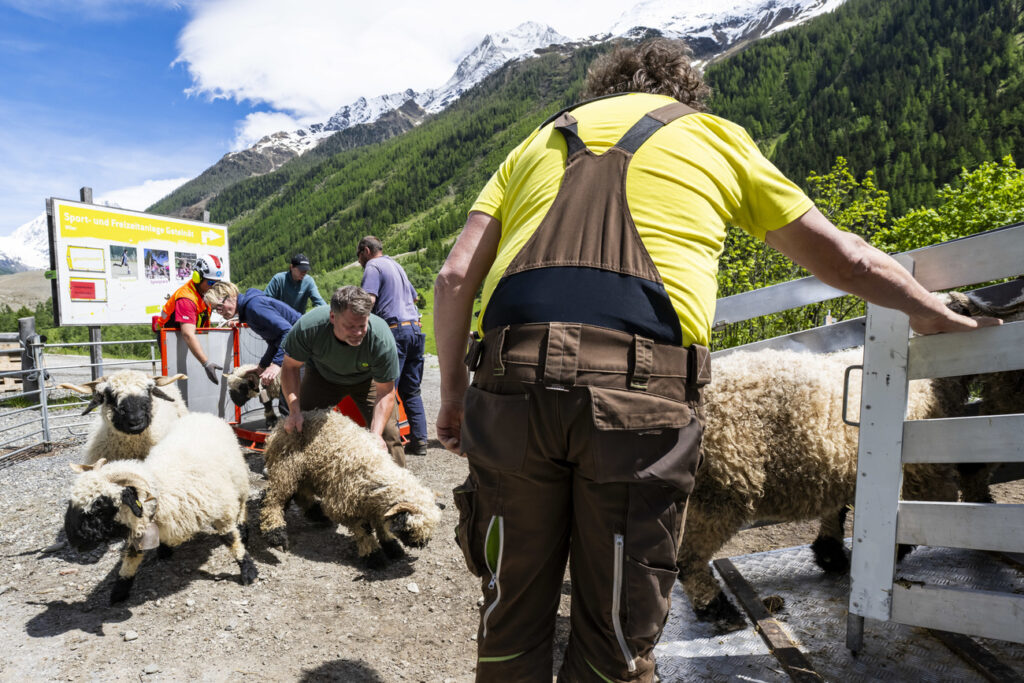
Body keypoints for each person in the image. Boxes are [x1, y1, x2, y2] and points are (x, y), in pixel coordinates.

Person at [432, 39, 1001, 683]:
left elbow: (455, 278)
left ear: (600, 91)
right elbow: (847, 260)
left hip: (510, 389)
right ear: (684, 94)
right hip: (639, 395)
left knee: (511, 606)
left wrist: (454, 397)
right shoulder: (714, 137)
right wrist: (933, 313)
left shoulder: (537, 143)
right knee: (616, 619)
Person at [279, 285, 406, 466]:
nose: (357, 333)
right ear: (333, 317)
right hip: (322, 377)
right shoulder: (310, 327)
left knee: (388, 433)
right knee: (301, 426)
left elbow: (385, 391)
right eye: (350, 326)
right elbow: (290, 367)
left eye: (362, 326)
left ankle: (398, 489)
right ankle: (296, 482)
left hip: (366, 380)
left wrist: (376, 435)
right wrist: (294, 411)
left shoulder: (380, 337)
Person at [357, 235, 429, 457]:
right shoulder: (396, 265)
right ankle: (420, 441)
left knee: (386, 390)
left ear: (366, 251)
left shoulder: (373, 266)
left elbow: (368, 300)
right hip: (415, 329)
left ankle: (388, 446)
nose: (359, 261)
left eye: (359, 256)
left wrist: (358, 329)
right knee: (411, 390)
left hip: (394, 331)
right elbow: (414, 299)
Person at [203, 280, 301, 387]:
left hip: (305, 345)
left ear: (230, 296)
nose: (220, 313)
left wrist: (277, 364)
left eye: (220, 307)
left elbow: (288, 331)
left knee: (294, 398)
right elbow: (275, 341)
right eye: (216, 310)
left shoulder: (254, 307)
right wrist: (262, 366)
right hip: (300, 349)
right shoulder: (248, 313)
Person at [152, 257, 224, 385]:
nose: (214, 288)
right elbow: (187, 334)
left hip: (185, 336)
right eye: (211, 283)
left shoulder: (204, 293)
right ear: (198, 277)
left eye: (217, 283)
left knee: (194, 374)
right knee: (176, 377)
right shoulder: (186, 298)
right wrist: (206, 363)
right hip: (171, 339)